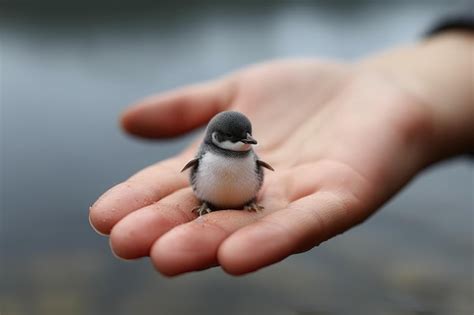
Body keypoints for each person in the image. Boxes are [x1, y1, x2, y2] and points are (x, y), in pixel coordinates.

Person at [89, 22, 473, 276]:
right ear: (216, 140)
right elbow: (197, 169)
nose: (247, 144)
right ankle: (211, 203)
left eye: (247, 137)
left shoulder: (249, 156)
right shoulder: (207, 159)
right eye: (237, 140)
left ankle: (245, 202)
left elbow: (253, 161)